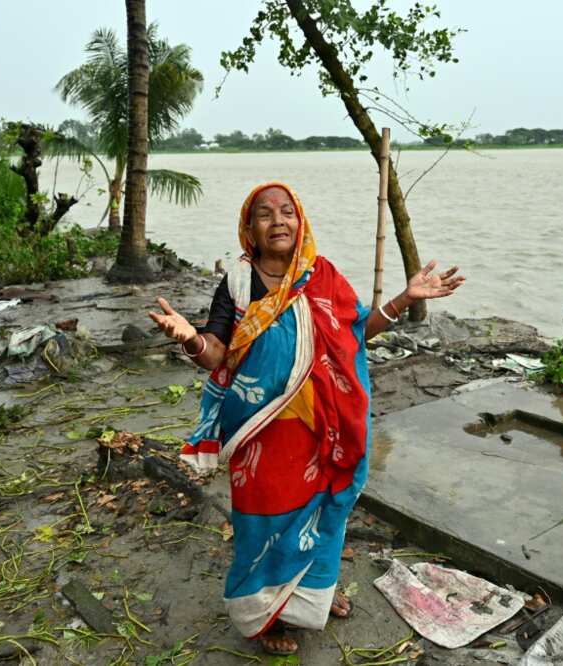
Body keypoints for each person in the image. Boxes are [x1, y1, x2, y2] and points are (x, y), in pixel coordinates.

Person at [148, 182, 464, 655]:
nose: (278, 221)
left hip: (322, 428)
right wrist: (190, 338)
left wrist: (404, 298)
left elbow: (355, 330)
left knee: (323, 514)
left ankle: (308, 596)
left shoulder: (323, 276)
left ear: (301, 223)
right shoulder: (237, 283)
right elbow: (216, 354)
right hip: (259, 430)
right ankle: (262, 617)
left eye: (287, 212)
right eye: (264, 214)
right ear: (248, 229)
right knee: (263, 521)